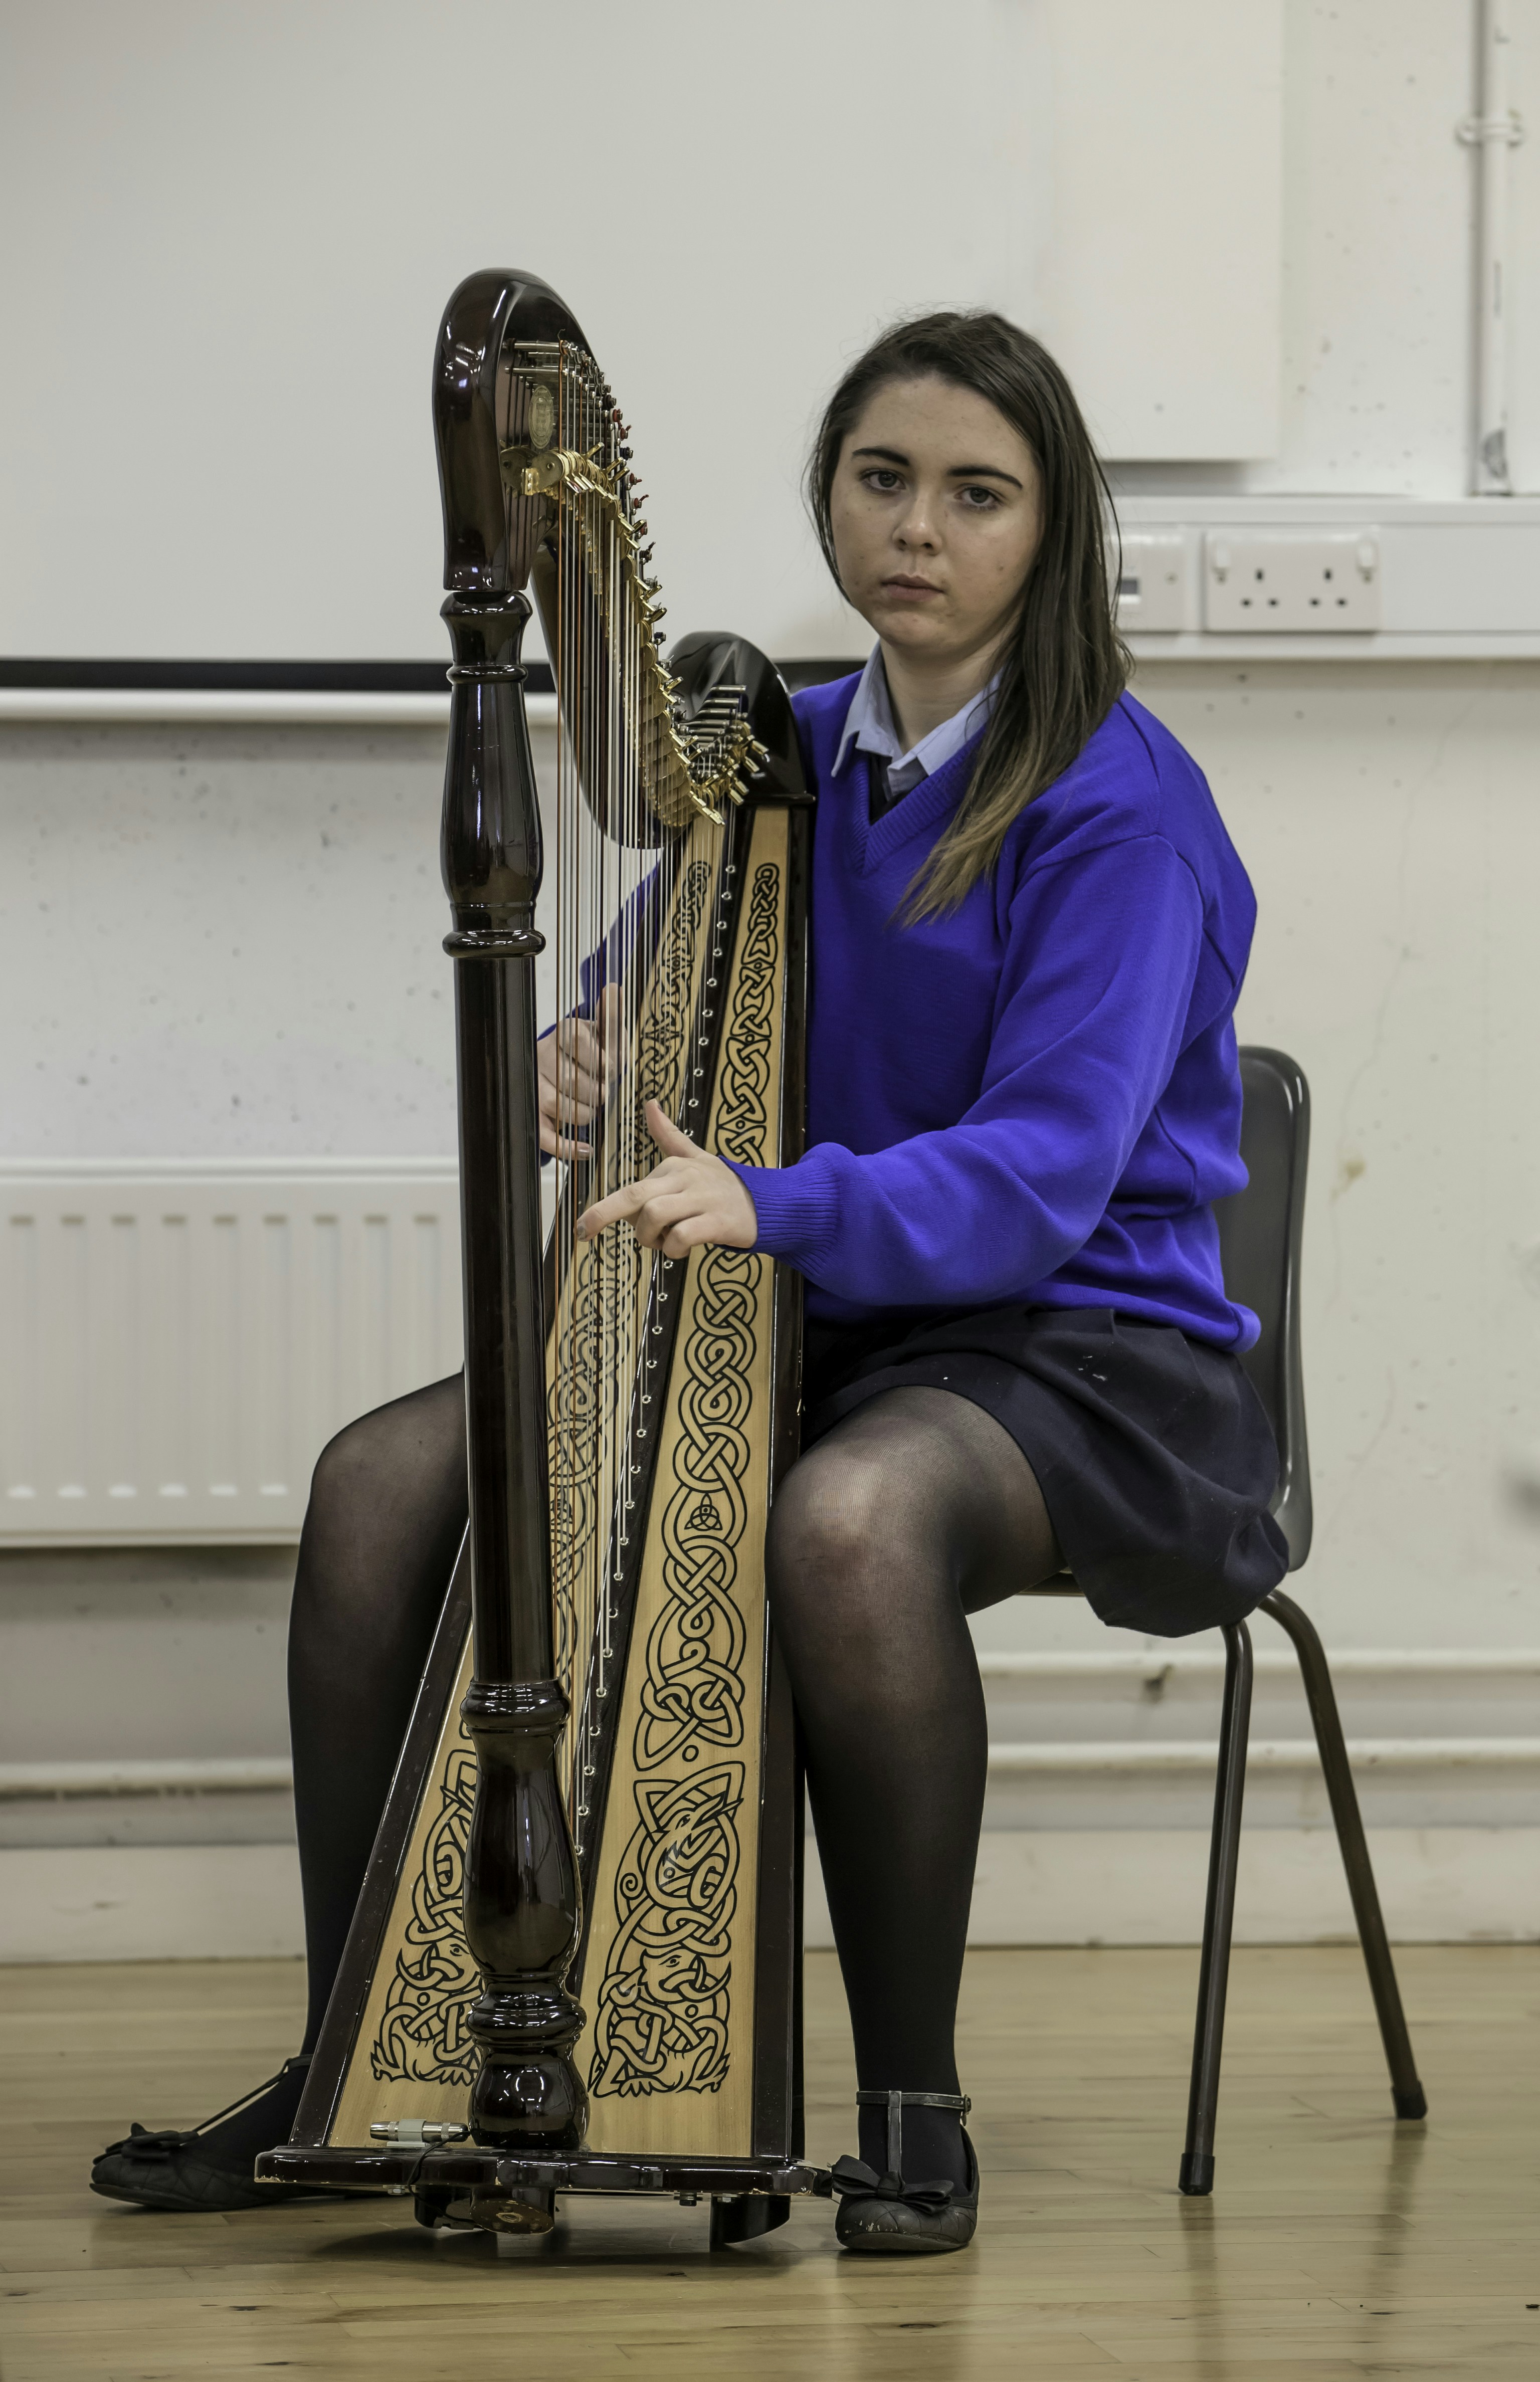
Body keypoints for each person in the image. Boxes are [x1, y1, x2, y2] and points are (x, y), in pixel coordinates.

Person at [92, 311, 1287, 2254]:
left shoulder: (1113, 808)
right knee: (380, 1481)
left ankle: (914, 2109)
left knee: (844, 1521)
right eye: (879, 478)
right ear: (829, 493)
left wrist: (776, 1200)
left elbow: (1048, 1178)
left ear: (1052, 537)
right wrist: (595, 1055)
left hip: (1088, 1348)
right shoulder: (779, 756)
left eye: (977, 494)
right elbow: (649, 1004)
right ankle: (349, 2064)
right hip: (832, 1303)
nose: (917, 527)